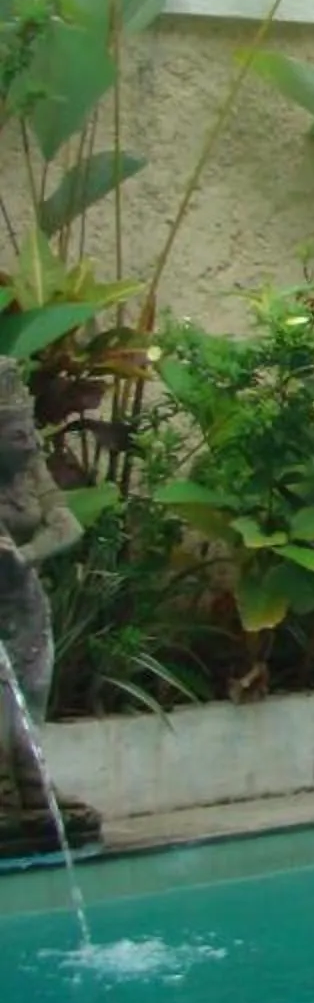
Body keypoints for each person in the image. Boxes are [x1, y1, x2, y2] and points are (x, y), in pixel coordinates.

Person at [0, 358, 95, 856]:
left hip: (25, 603)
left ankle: (35, 790)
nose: (28, 440)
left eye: (27, 428)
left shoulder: (29, 468)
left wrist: (26, 555)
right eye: (14, 431)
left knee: (32, 690)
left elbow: (68, 526)